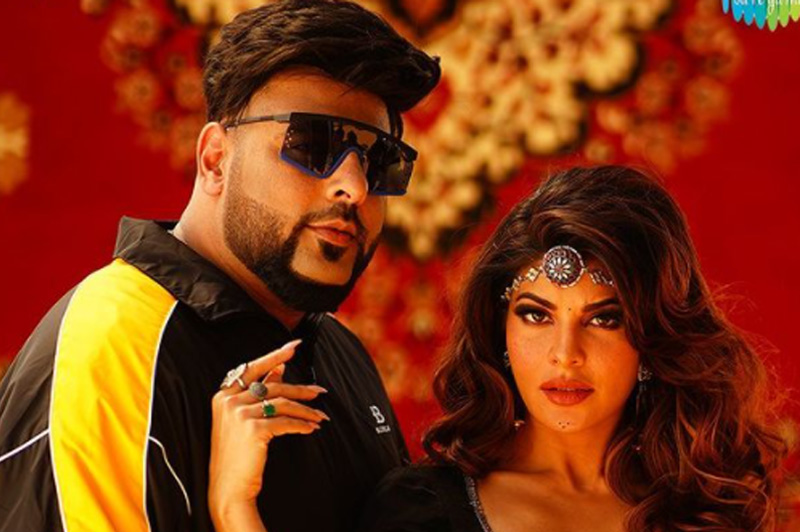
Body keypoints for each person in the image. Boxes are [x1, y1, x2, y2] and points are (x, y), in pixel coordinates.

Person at [0, 1, 440, 531]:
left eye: (381, 161)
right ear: (215, 159)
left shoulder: (338, 352)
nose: (356, 187)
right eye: (312, 145)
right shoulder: (114, 345)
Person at [207, 166, 787, 531]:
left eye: (604, 319)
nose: (565, 353)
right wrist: (234, 506)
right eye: (536, 314)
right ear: (499, 329)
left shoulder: (709, 509)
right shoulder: (425, 511)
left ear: (652, 338)